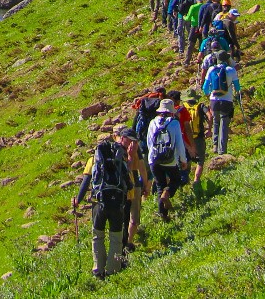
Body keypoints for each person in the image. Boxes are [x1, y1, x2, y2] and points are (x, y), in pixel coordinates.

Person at [72, 133, 134, 278]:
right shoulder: (120, 158)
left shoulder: (93, 160)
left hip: (99, 203)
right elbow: (129, 183)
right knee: (116, 237)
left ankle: (98, 270)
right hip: (117, 203)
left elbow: (85, 182)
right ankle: (113, 269)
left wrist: (78, 200)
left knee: (98, 236)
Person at [145, 91, 188, 220]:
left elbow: (149, 142)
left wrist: (151, 157)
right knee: (176, 180)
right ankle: (167, 193)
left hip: (154, 159)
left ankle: (163, 215)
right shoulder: (174, 123)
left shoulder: (152, 123)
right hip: (170, 159)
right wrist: (183, 160)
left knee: (159, 185)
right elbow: (179, 144)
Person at [114, 124, 150, 249]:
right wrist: (145, 185)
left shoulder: (115, 149)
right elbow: (142, 169)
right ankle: (128, 242)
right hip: (132, 184)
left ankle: (126, 242)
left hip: (123, 186)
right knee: (133, 216)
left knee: (128, 216)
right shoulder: (134, 150)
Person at [203, 50, 242, 155]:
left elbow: (205, 87)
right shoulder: (231, 70)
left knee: (216, 122)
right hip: (227, 100)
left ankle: (215, 145)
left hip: (214, 101)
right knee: (224, 124)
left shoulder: (211, 69)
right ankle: (222, 149)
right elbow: (237, 87)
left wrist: (209, 93)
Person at [185, 90, 210, 184]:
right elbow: (210, 116)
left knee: (187, 158)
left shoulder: (183, 107)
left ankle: (186, 179)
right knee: (200, 159)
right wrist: (210, 129)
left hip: (186, 138)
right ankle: (196, 180)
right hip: (198, 137)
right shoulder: (200, 106)